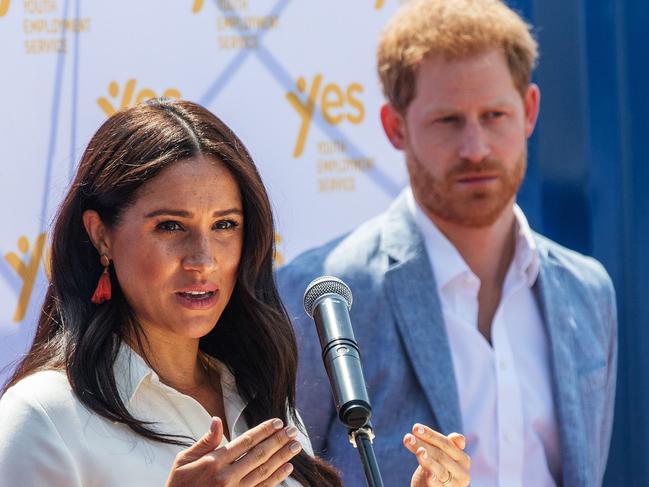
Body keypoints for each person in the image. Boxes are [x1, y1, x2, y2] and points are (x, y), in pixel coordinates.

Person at [0, 98, 466, 487]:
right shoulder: (42, 415)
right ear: (101, 235)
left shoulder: (257, 396)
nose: (203, 259)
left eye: (225, 225)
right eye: (170, 226)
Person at [277, 1, 617, 486]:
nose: (475, 148)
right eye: (449, 121)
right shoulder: (320, 298)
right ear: (396, 127)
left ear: (529, 112)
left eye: (494, 115)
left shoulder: (588, 290)